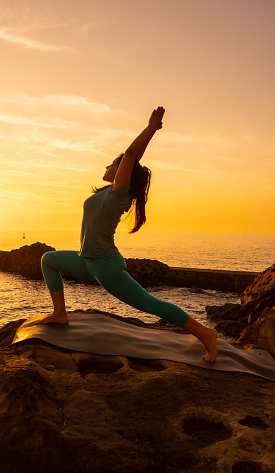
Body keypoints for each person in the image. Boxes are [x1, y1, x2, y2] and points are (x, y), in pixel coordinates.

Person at [35, 107, 217, 362]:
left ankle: (206, 333)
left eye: (113, 164)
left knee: (149, 304)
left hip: (104, 266)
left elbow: (131, 156)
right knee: (49, 259)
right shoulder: (104, 192)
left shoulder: (118, 195)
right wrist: (133, 156)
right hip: (87, 260)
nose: (108, 165)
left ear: (123, 173)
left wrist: (151, 128)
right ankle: (60, 314)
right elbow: (133, 161)